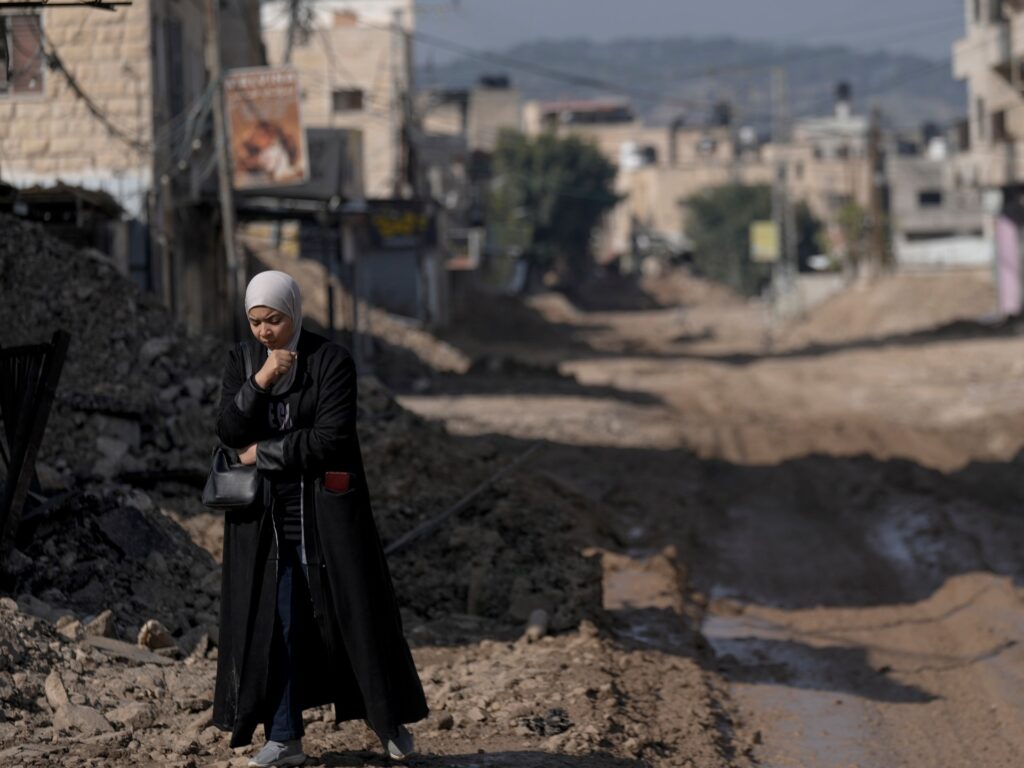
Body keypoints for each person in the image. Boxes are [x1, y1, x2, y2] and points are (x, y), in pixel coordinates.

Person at [211, 270, 427, 767]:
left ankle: (388, 723)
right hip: (265, 522)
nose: (265, 332)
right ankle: (284, 736)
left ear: (294, 312)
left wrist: (259, 452)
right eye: (256, 322)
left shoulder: (331, 362)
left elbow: (329, 440)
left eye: (275, 320)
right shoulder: (242, 362)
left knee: (355, 616)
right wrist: (262, 380)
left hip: (327, 516)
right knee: (278, 626)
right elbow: (226, 429)